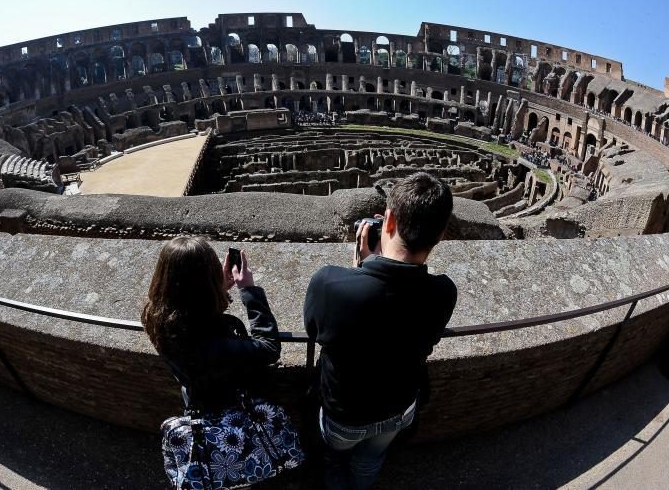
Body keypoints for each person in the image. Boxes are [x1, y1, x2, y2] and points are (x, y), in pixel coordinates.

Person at [304, 172, 457, 489]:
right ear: (441, 235)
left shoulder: (330, 283)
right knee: (370, 460)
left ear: (387, 221)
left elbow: (315, 330)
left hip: (344, 413)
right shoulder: (444, 292)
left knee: (334, 457)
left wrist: (362, 267)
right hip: (399, 409)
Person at [142, 236, 280, 412]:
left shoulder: (153, 316)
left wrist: (218, 289)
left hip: (194, 398)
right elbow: (269, 348)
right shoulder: (214, 346)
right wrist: (249, 291)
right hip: (228, 409)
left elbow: (188, 311)